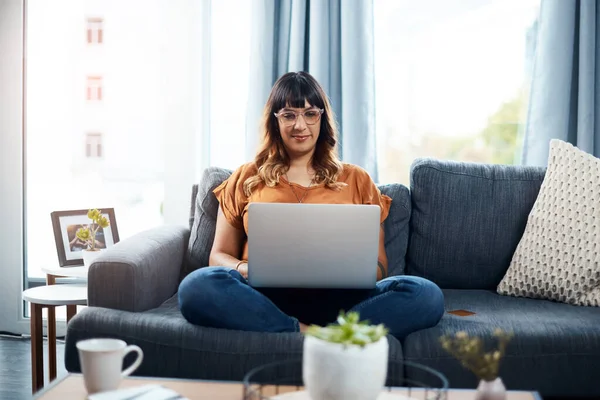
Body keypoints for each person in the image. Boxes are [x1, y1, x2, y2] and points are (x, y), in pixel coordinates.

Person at [178, 71, 444, 339]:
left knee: (425, 293)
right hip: (262, 297)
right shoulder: (247, 176)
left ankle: (308, 331)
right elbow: (218, 255)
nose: (300, 125)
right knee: (197, 286)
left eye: (310, 114)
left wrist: (345, 272)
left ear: (322, 119)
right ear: (275, 121)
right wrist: (246, 269)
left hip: (342, 299)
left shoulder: (357, 179)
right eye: (289, 115)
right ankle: (318, 335)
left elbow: (379, 264)